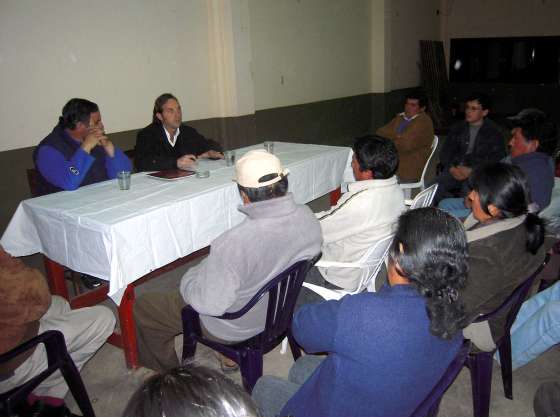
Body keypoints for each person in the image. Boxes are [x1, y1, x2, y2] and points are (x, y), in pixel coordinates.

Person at [252, 207, 468, 417]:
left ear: (401, 255)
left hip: (347, 406)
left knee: (264, 387)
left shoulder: (362, 313)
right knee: (301, 368)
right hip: (399, 398)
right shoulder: (453, 313)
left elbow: (302, 330)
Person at [133, 150, 322, 372]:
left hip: (236, 327)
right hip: (279, 312)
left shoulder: (234, 242)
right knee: (222, 277)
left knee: (145, 307)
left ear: (244, 195)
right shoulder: (307, 216)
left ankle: (168, 376)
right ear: (284, 182)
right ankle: (228, 356)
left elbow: (209, 304)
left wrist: (190, 278)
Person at [0, 246, 115, 409]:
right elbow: (38, 294)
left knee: (60, 304)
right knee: (104, 318)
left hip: (10, 338)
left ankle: (44, 383)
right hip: (10, 364)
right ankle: (47, 396)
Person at [297, 135, 405, 305]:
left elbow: (317, 230)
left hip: (336, 274)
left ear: (367, 172)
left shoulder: (362, 202)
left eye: (354, 159)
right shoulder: (395, 190)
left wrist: (295, 217)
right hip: (362, 265)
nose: (351, 164)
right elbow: (335, 217)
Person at [460, 163, 553, 352]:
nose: (470, 196)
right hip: (487, 304)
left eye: (476, 192)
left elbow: (455, 310)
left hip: (479, 327)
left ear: (494, 209)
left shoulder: (489, 255)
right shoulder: (521, 221)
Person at [439, 111, 556, 218]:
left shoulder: (534, 173)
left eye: (515, 138)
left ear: (533, 144)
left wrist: (477, 200)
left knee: (443, 215)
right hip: (485, 202)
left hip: (491, 217)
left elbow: (512, 213)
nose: (510, 142)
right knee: (444, 204)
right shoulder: (523, 161)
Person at [34, 98, 132, 196]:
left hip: (102, 199)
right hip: (65, 207)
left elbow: (125, 175)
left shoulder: (97, 141)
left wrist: (111, 150)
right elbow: (69, 183)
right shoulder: (48, 150)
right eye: (97, 122)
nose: (101, 126)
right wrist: (86, 147)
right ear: (79, 125)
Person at [432, 93, 506, 204]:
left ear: (484, 112)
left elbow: (497, 159)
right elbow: (445, 153)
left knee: (468, 197)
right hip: (455, 170)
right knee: (431, 189)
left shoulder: (494, 132)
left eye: (474, 108)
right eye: (467, 107)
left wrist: (472, 170)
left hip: (478, 174)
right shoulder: (458, 128)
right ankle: (445, 210)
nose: (468, 111)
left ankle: (458, 212)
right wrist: (452, 168)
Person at [122, 365, 261, 417]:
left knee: (144, 309)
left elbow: (211, 307)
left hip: (225, 323)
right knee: (265, 386)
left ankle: (159, 367)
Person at [135, 93, 223, 172]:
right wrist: (176, 163)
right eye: (171, 111)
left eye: (178, 110)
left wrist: (209, 152)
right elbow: (142, 163)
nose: (177, 115)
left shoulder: (187, 131)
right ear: (159, 116)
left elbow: (208, 144)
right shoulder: (147, 135)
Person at [376, 90, 434, 182]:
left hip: (408, 166)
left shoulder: (423, 122)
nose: (408, 107)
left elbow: (405, 145)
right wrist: (397, 136)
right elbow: (380, 132)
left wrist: (392, 138)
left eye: (413, 105)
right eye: (407, 104)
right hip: (393, 159)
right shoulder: (401, 117)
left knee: (374, 174)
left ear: (422, 108)